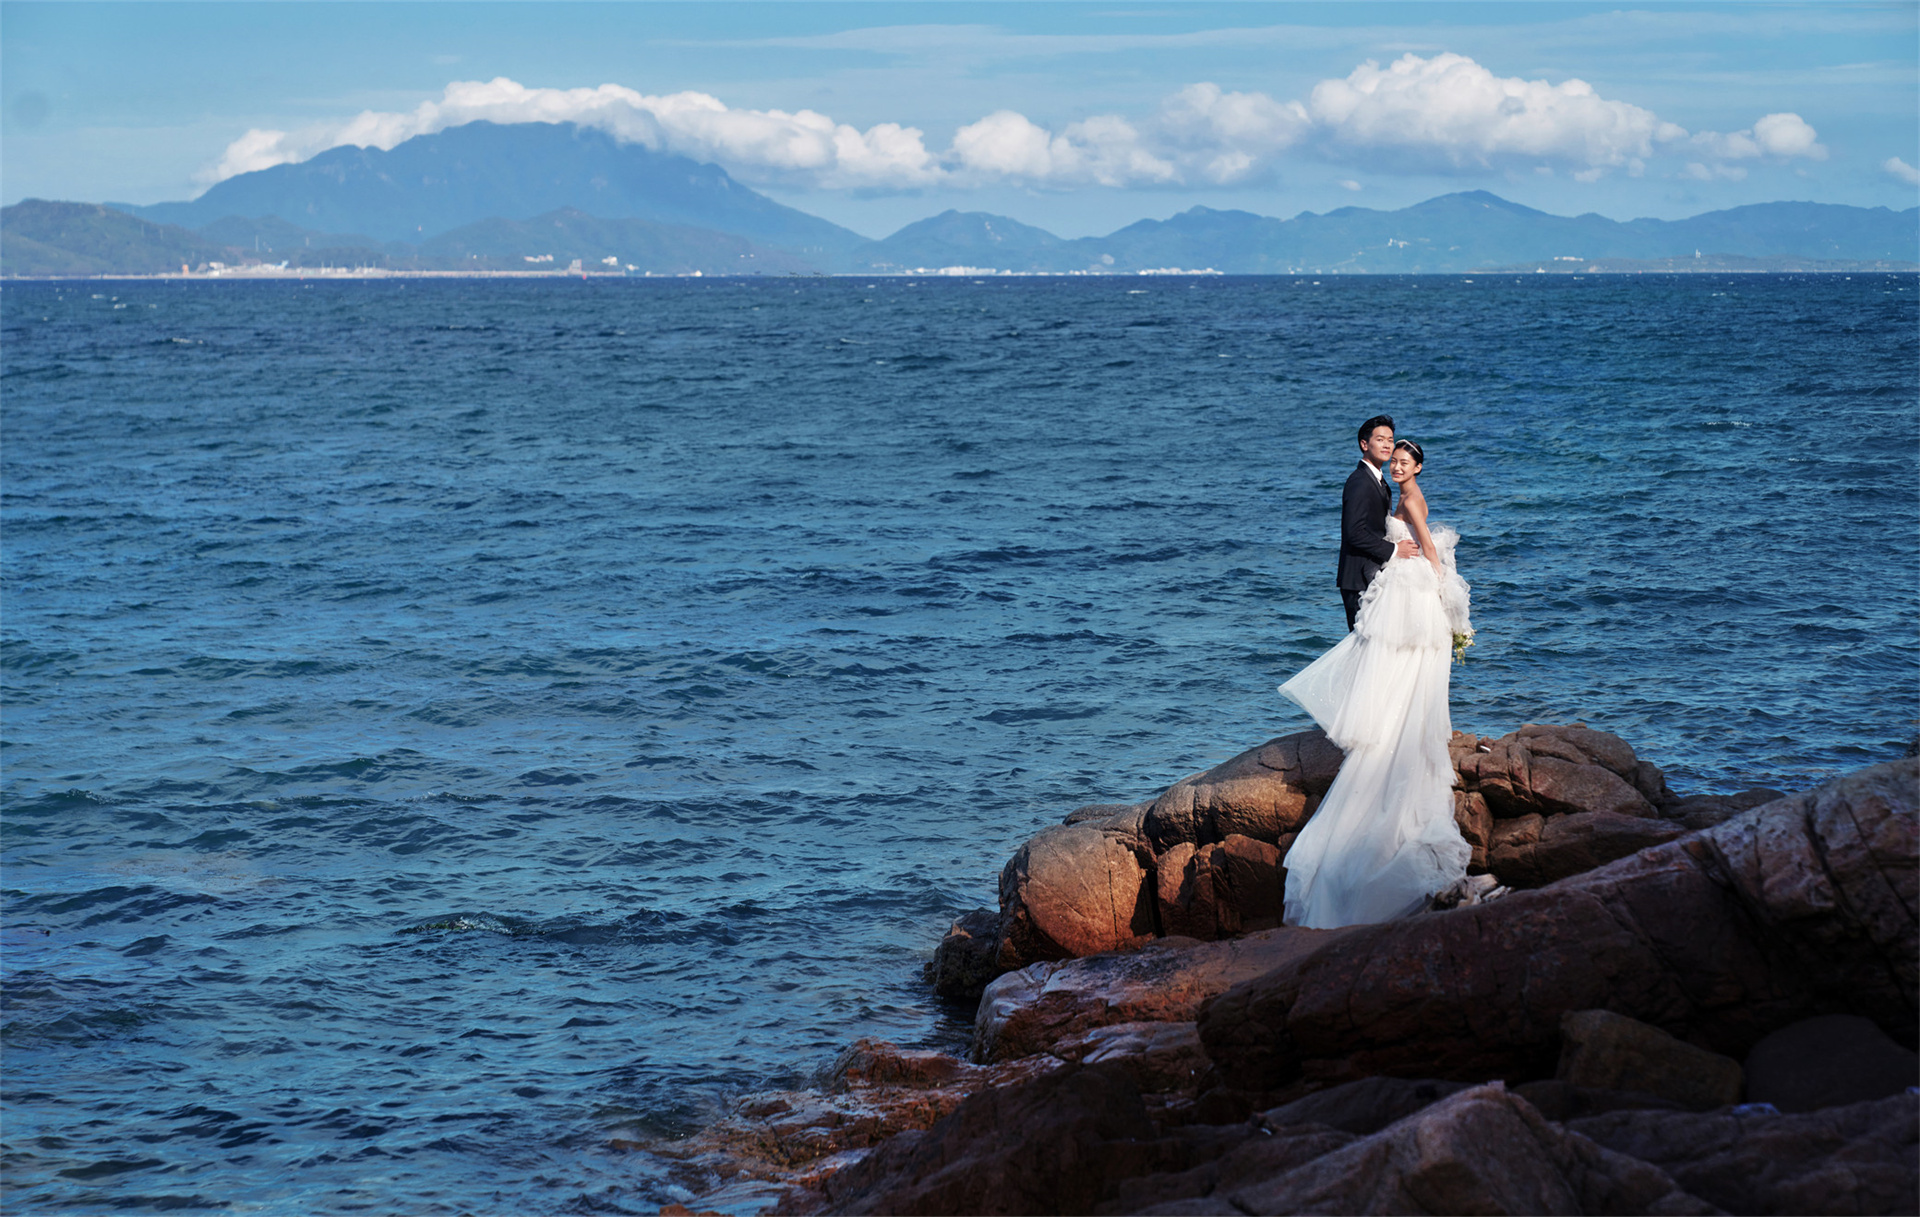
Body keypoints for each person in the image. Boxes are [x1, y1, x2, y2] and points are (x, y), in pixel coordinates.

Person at [1278, 436, 1473, 929]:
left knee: (1392, 658)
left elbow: (1426, 543)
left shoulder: (1402, 493)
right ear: (1371, 447)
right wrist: (1413, 563)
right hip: (1398, 581)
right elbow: (1367, 534)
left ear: (1419, 466)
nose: (1398, 461)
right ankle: (1387, 725)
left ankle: (1382, 726)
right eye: (1394, 454)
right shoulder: (1375, 485)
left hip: (1409, 584)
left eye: (1405, 458)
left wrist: (1438, 582)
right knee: (1394, 659)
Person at [1339, 415, 1420, 631]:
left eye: (1390, 440)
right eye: (1380, 439)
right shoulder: (1359, 482)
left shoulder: (1380, 481)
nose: (1387, 445)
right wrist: (1395, 549)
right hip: (1357, 579)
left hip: (1370, 574)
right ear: (1364, 444)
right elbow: (1353, 533)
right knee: (1364, 649)